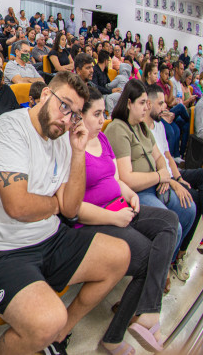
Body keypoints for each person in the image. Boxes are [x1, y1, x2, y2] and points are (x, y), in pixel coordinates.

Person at [0, 71, 130, 355]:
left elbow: (71, 207)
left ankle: (58, 338)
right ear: (45, 95)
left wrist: (78, 152)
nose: (67, 119)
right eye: (63, 106)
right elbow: (19, 207)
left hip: (49, 236)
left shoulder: (64, 138)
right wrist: (54, 204)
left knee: (119, 256)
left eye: (76, 114)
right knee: (48, 319)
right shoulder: (10, 128)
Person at [75, 87, 177, 354]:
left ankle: (148, 314)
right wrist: (115, 216)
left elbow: (116, 179)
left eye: (103, 113)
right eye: (96, 114)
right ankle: (117, 334)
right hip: (99, 217)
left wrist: (131, 194)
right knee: (148, 257)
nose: (101, 119)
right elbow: (73, 206)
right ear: (80, 116)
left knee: (169, 222)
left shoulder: (102, 140)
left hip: (120, 206)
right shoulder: (74, 147)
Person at [105, 80, 196, 281]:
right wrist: (159, 176)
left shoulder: (142, 128)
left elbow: (159, 158)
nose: (148, 106)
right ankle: (151, 280)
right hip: (136, 194)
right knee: (173, 227)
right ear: (129, 103)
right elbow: (127, 179)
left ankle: (163, 267)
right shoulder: (118, 129)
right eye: (143, 102)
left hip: (155, 186)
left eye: (148, 102)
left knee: (189, 209)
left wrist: (164, 174)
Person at [144, 84, 203, 275]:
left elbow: (168, 155)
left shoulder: (159, 125)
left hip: (172, 173)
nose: (164, 107)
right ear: (148, 103)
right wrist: (174, 182)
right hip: (162, 180)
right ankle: (177, 257)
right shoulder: (143, 130)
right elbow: (154, 165)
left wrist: (178, 177)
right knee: (196, 200)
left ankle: (180, 254)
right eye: (160, 103)